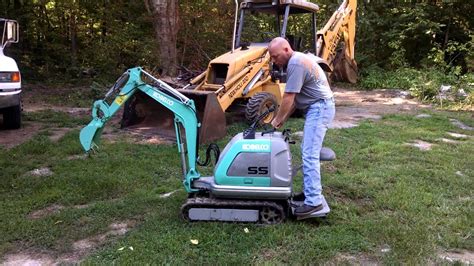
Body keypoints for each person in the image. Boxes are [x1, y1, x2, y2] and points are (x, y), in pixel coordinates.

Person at [269, 37, 335, 216]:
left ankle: (314, 201)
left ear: (286, 49)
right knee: (309, 152)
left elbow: (289, 96)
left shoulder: (296, 63)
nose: (274, 61)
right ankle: (308, 194)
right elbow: (297, 99)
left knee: (310, 154)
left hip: (320, 107)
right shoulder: (297, 59)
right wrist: (284, 118)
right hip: (318, 106)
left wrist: (276, 120)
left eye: (275, 57)